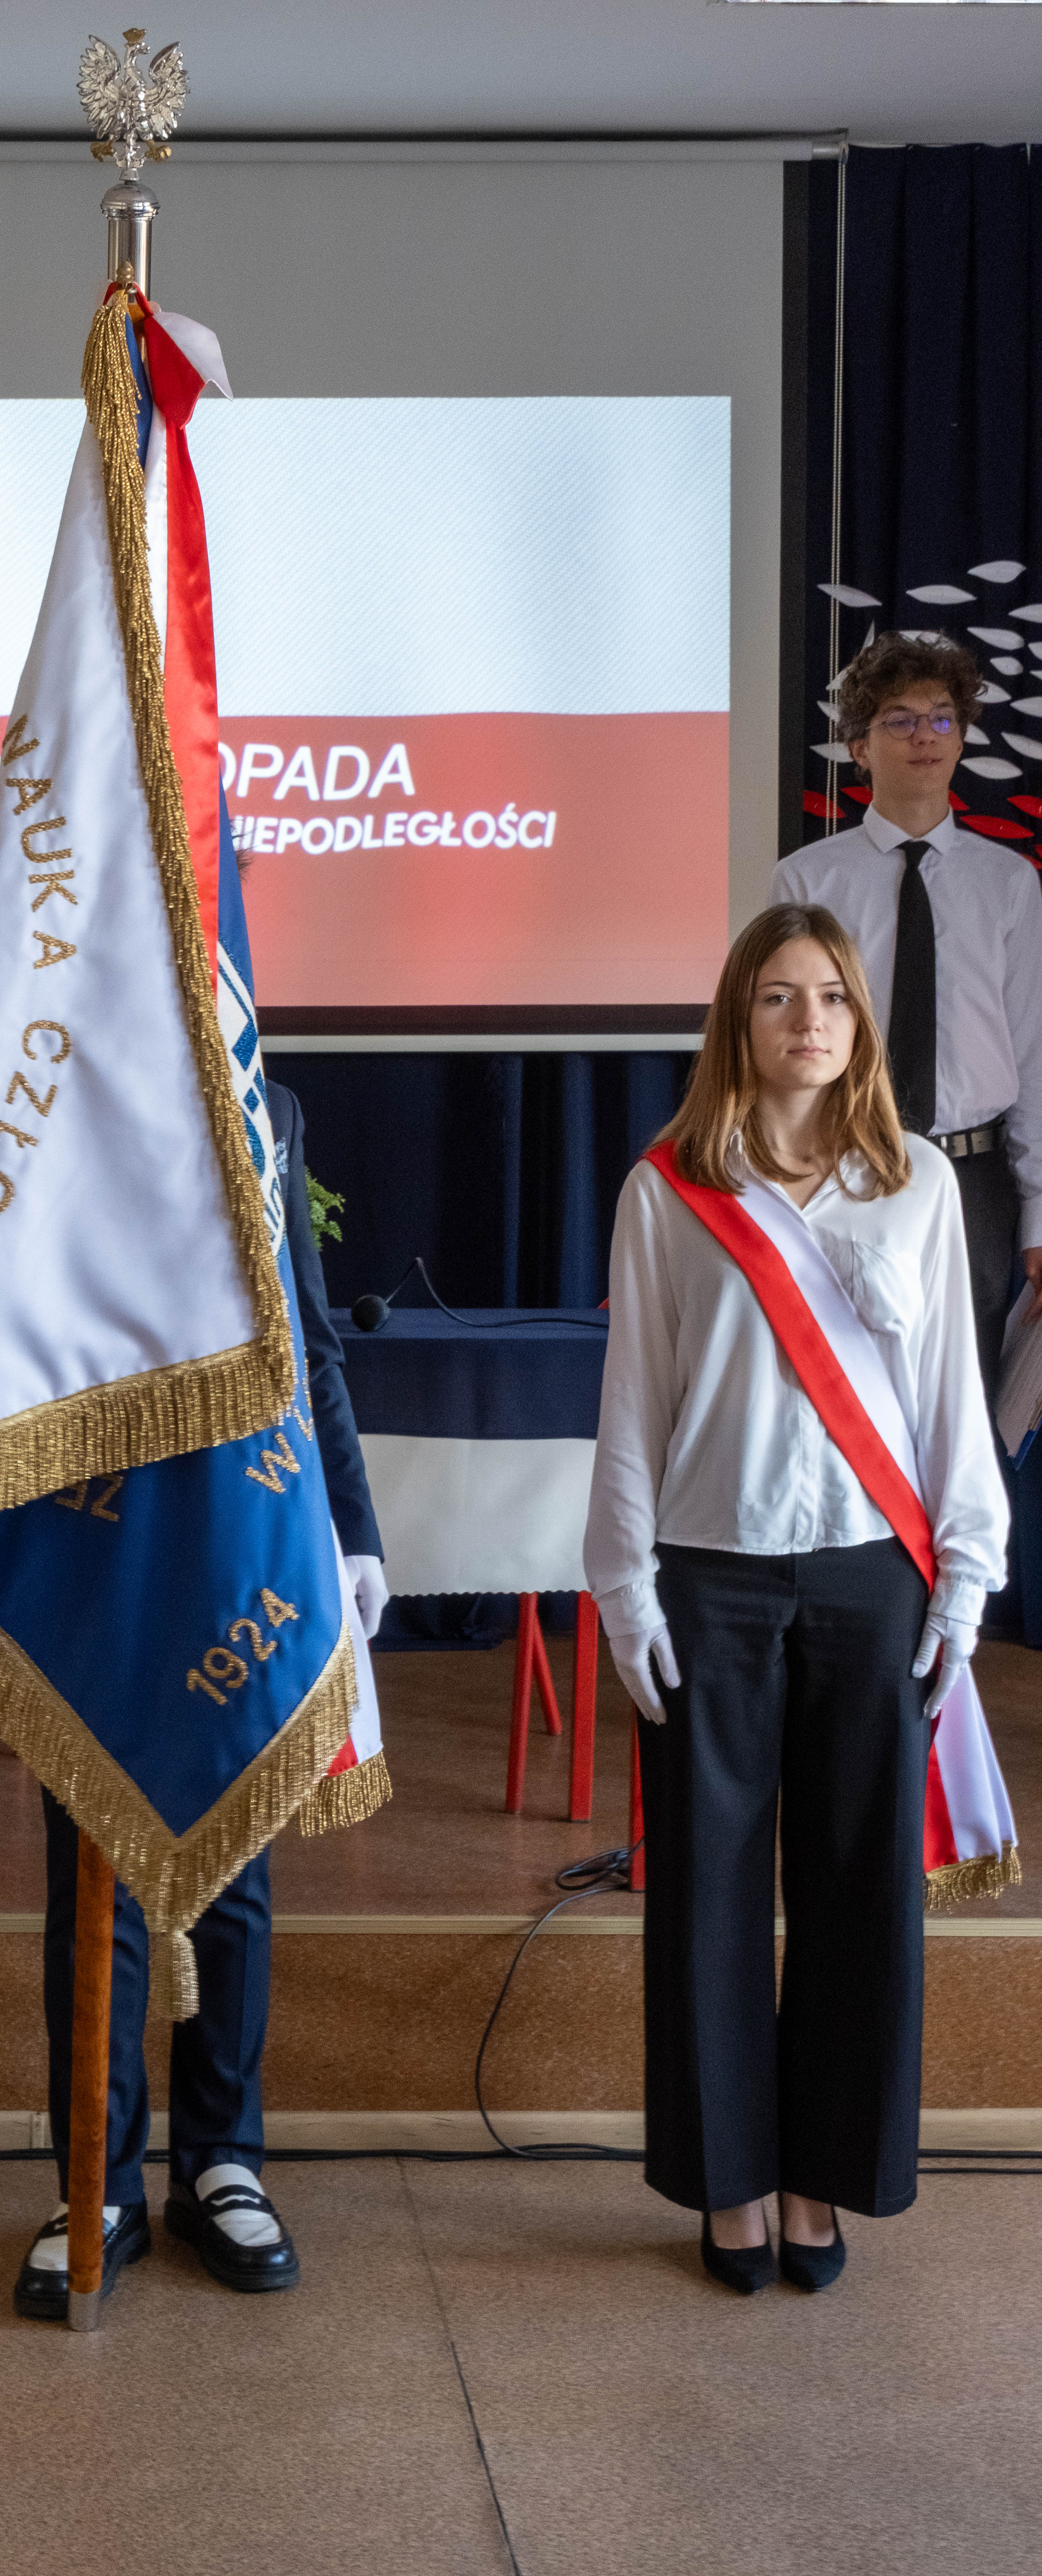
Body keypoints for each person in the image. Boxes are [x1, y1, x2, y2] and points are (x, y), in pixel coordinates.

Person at [584, 904, 1008, 2293]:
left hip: (867, 1580)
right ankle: (730, 2185)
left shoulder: (919, 1190)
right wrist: (623, 1584)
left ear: (859, 1023)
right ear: (739, 1020)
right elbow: (634, 1402)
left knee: (855, 1886)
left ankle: (826, 2175)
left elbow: (953, 1401)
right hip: (708, 1577)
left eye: (830, 996)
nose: (807, 1020)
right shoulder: (669, 1187)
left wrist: (965, 1569)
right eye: (777, 997)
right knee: (705, 1893)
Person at [16, 1076, 387, 2318]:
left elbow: (309, 1335)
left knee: (238, 1859)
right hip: (100, 1538)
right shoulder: (49, 1093)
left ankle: (221, 2158)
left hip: (244, 1535)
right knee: (97, 1866)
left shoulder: (267, 1104)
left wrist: (353, 1529)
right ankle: (99, 2178)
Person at [772, 632, 1042, 1389]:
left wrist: (1039, 1214)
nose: (925, 735)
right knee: (849, 1398)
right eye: (900, 720)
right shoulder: (808, 881)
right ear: (859, 746)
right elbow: (783, 1051)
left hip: (975, 1179)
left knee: (969, 1411)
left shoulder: (1011, 883)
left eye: (943, 718)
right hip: (845, 1164)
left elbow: (1033, 1051)